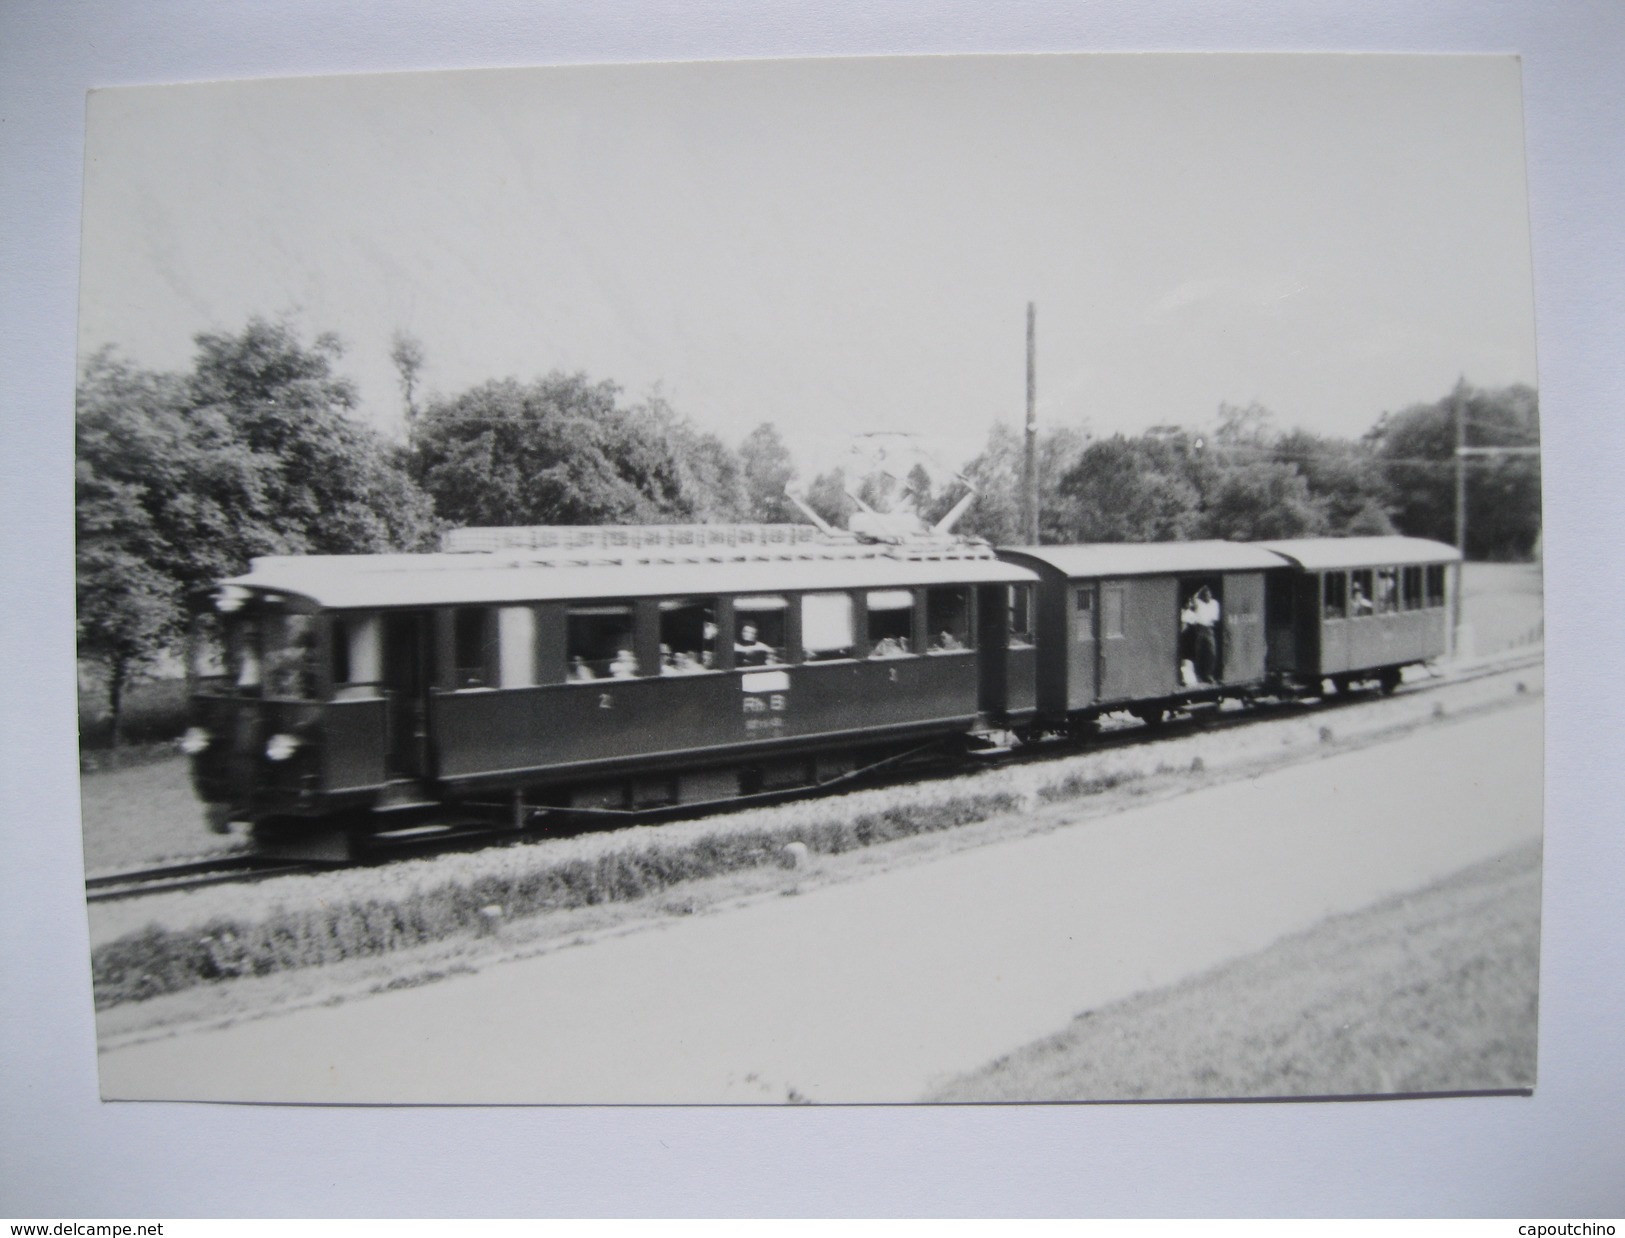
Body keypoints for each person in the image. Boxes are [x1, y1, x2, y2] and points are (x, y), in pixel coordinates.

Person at [1186, 585, 1220, 683]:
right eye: (1205, 595)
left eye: (1209, 594)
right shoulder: (1198, 603)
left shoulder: (1214, 603)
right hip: (1199, 629)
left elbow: (1214, 618)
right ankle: (1198, 676)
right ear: (1202, 596)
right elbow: (1193, 598)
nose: (1207, 596)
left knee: (1211, 653)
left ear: (1211, 595)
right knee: (1198, 653)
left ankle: (1209, 675)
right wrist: (1200, 589)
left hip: (1209, 629)